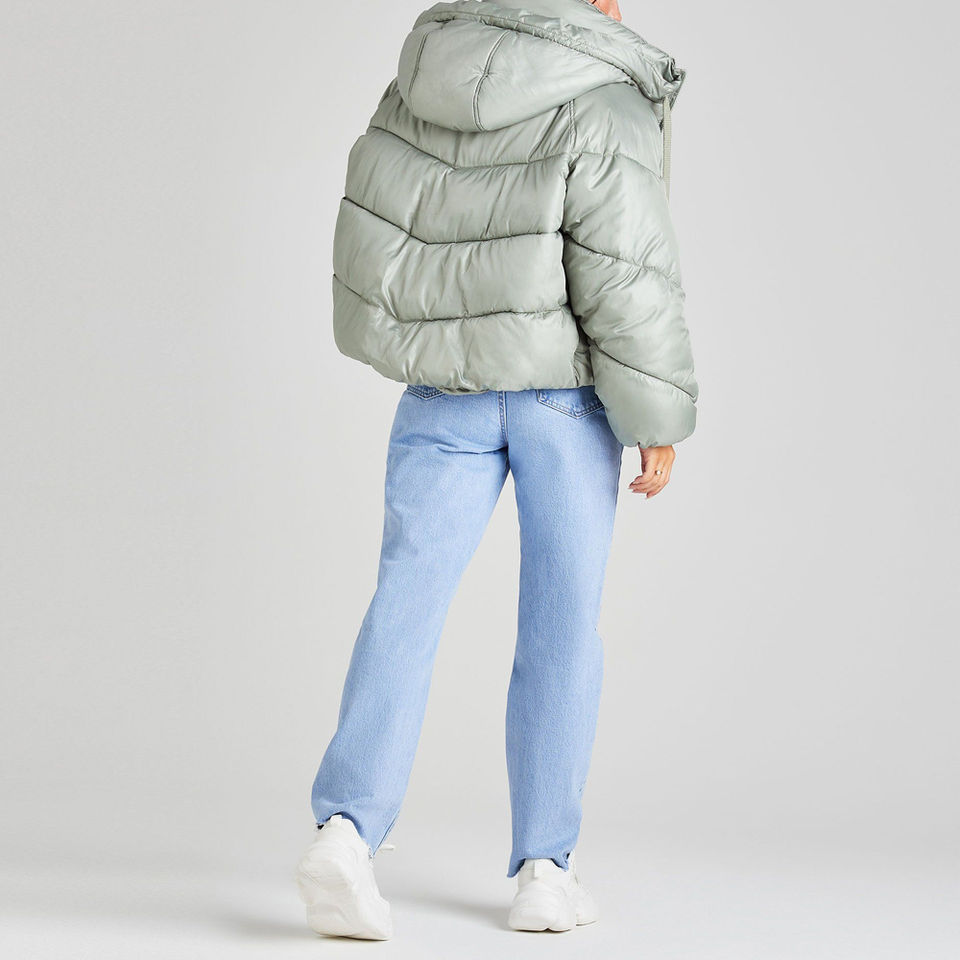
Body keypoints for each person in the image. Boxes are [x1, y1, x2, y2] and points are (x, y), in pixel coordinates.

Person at [294, 0, 697, 939]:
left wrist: (417, 339)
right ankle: (545, 870)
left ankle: (346, 832)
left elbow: (373, 228)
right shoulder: (604, 96)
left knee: (405, 604)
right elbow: (625, 269)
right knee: (561, 626)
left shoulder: (422, 76)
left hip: (442, 392)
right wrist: (658, 415)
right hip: (564, 398)